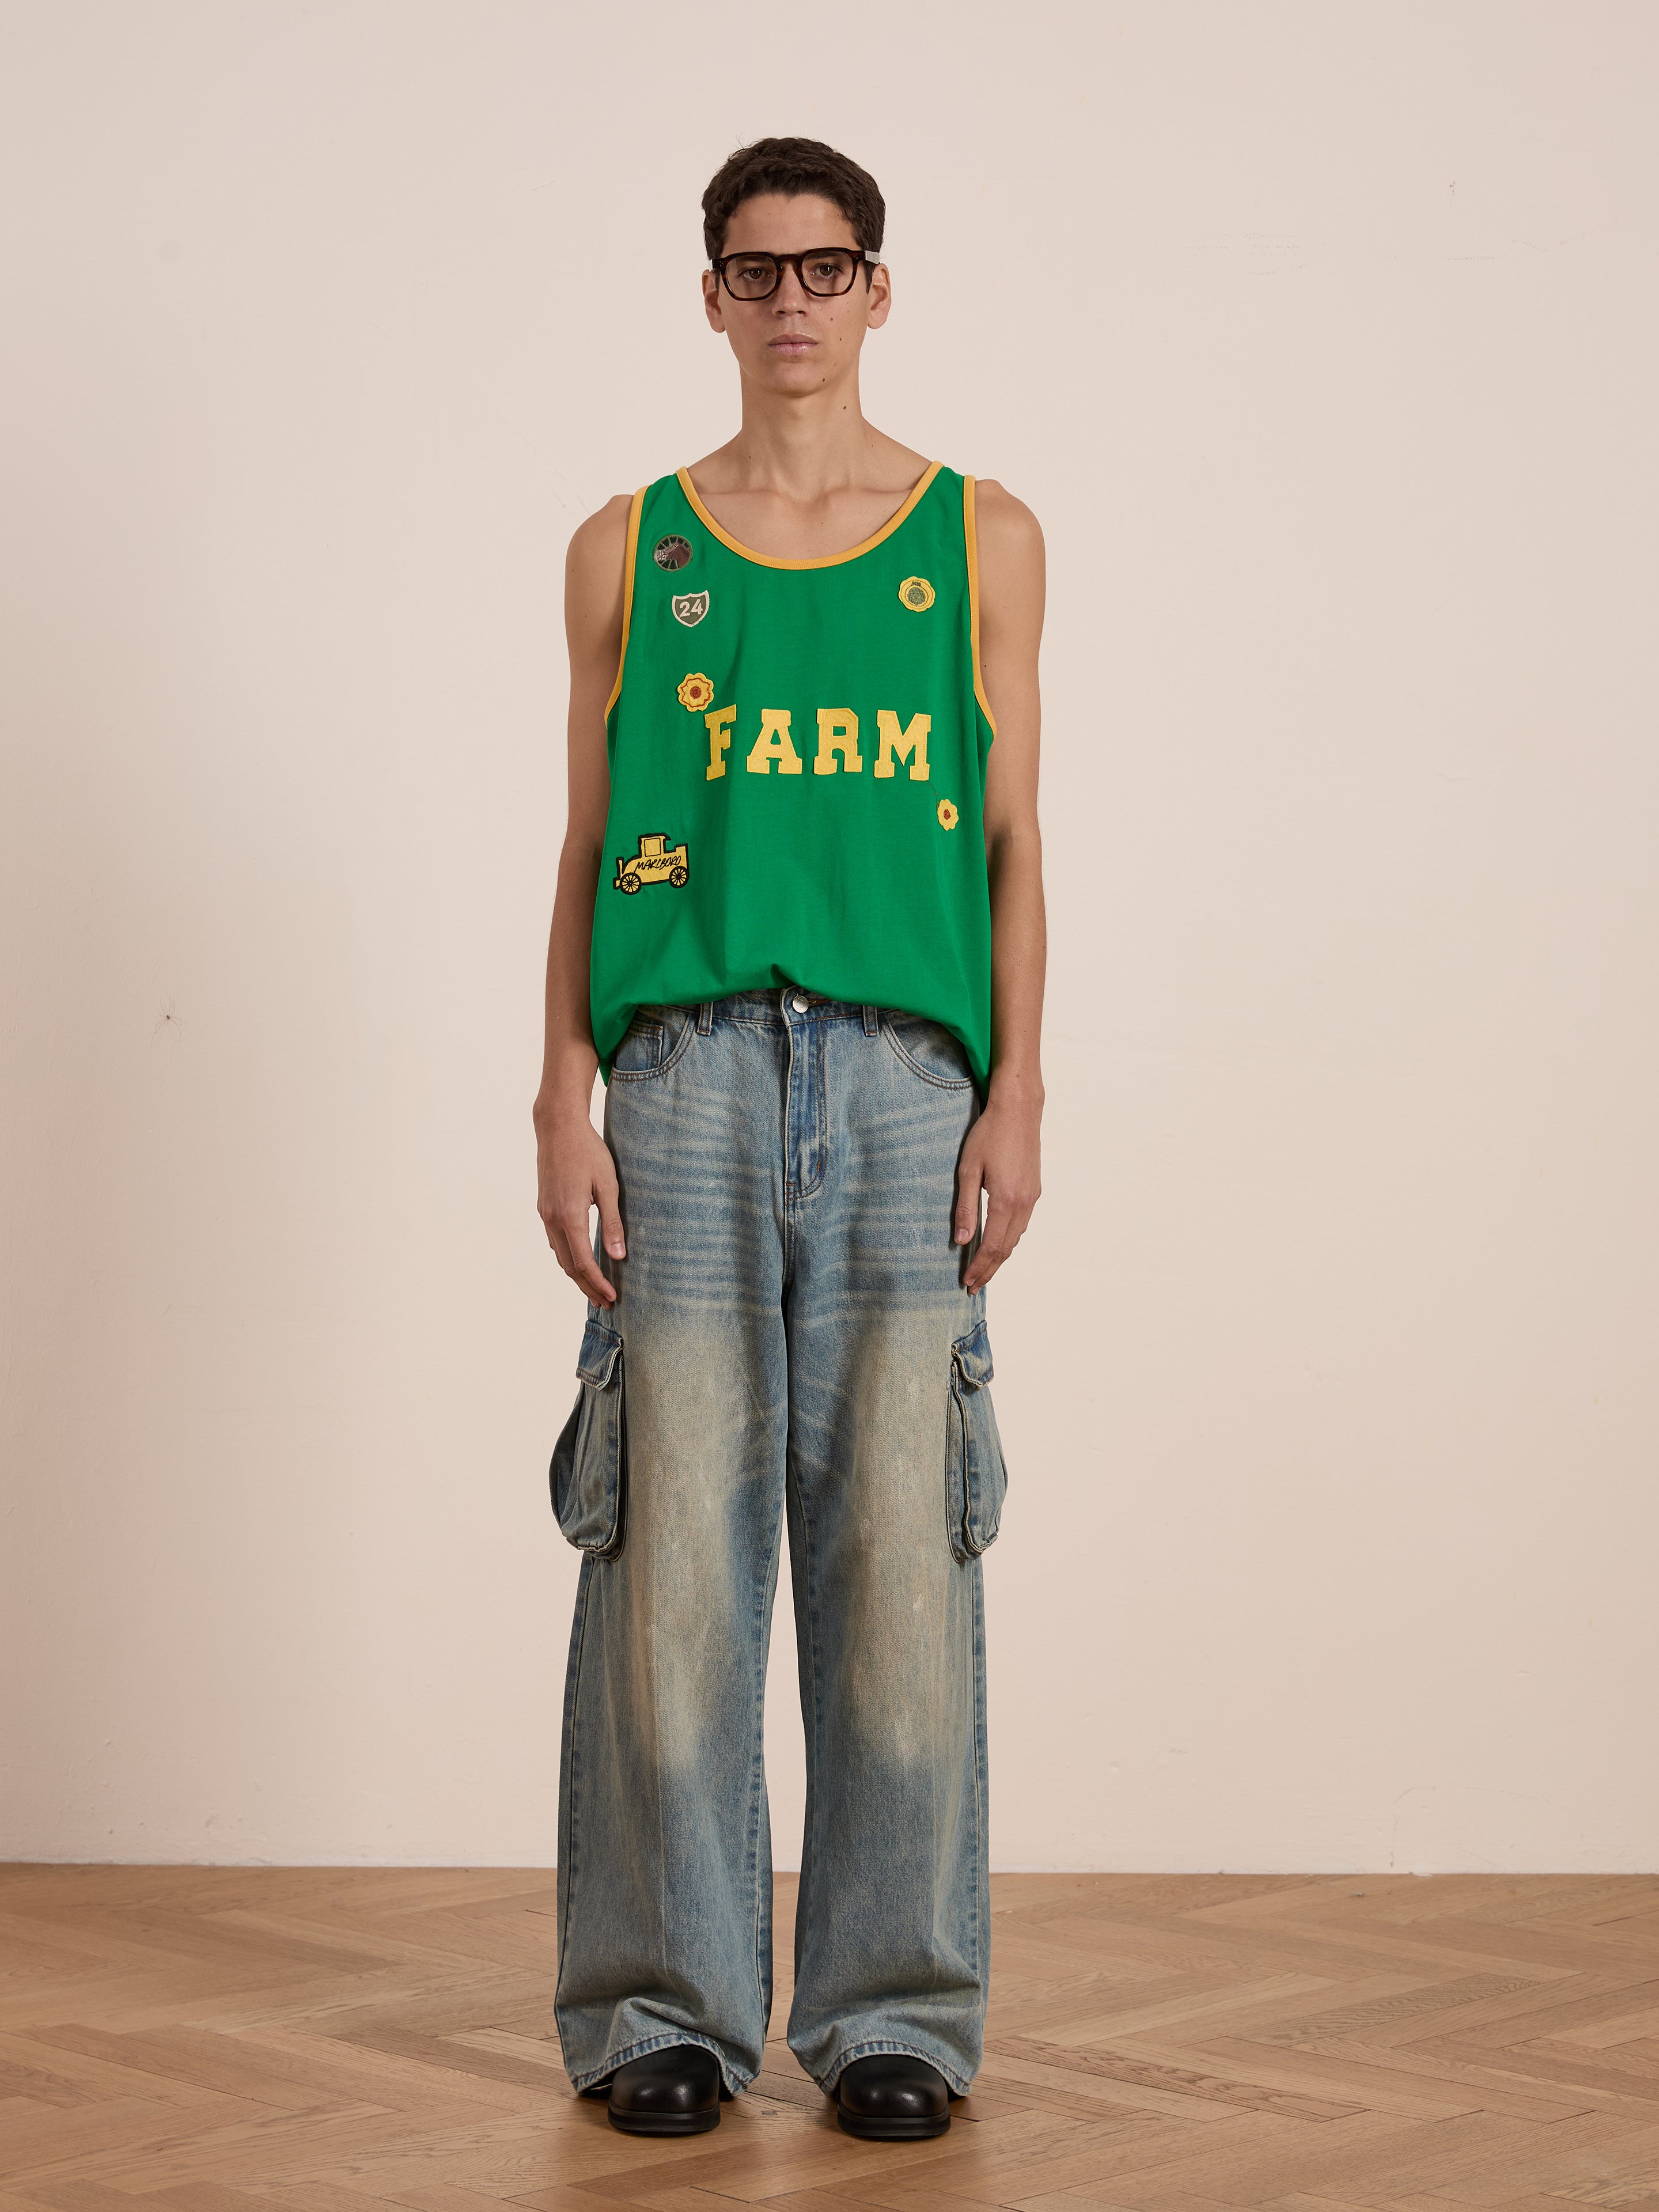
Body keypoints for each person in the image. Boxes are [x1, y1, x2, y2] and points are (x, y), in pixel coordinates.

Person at [532, 137, 1045, 2143]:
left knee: (900, 1555)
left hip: (912, 1079)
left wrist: (1021, 1081)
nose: (795, 304)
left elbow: (1012, 835)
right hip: (684, 1082)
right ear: (715, 298)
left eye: (827, 269)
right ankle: (663, 2006)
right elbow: (588, 843)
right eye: (758, 272)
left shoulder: (981, 535)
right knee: (672, 1559)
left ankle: (896, 2012)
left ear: (880, 288)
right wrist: (557, 1090)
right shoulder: (627, 546)